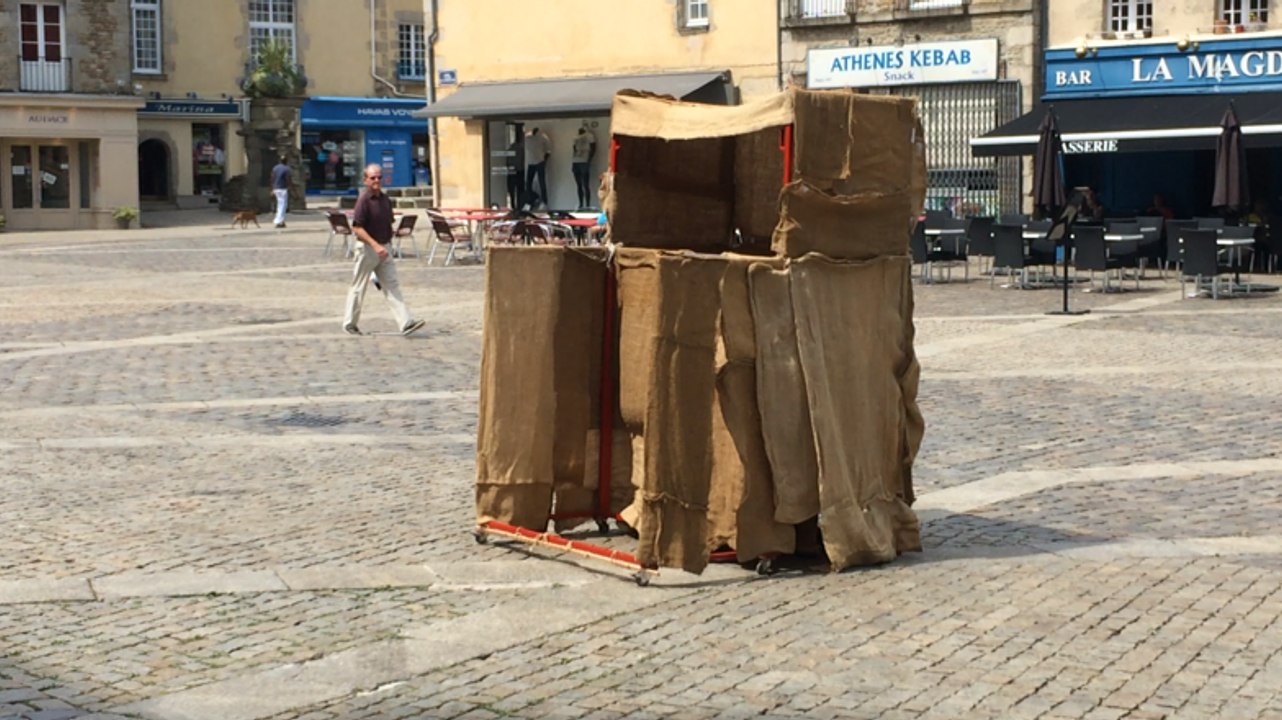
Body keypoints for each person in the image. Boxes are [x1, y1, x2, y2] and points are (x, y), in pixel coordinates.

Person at [342, 164, 425, 337]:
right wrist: (375, 245)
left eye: (379, 177)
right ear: (365, 180)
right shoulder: (364, 200)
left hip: (385, 247)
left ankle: (405, 322)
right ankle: (350, 323)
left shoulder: (385, 200)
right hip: (367, 249)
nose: (377, 181)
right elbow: (357, 228)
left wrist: (391, 236)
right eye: (373, 178)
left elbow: (387, 222)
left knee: (392, 284)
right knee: (358, 286)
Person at [524, 127, 551, 209]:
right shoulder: (528, 138)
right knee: (529, 183)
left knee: (541, 182)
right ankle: (530, 201)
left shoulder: (543, 137)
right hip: (532, 161)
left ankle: (544, 201)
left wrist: (544, 160)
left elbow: (548, 151)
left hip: (539, 161)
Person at [571, 127, 597, 209]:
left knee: (585, 184)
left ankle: (587, 204)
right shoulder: (575, 137)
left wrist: (589, 160)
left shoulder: (589, 136)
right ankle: (581, 204)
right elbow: (574, 149)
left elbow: (593, 148)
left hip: (584, 160)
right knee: (579, 184)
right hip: (576, 161)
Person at [270, 155, 292, 228]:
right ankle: (279, 221)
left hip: (276, 188)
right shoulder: (286, 169)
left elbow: (272, 178)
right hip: (283, 188)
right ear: (286, 161)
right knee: (283, 205)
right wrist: (289, 186)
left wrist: (272, 188)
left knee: (280, 205)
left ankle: (281, 221)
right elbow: (288, 178)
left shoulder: (275, 168)